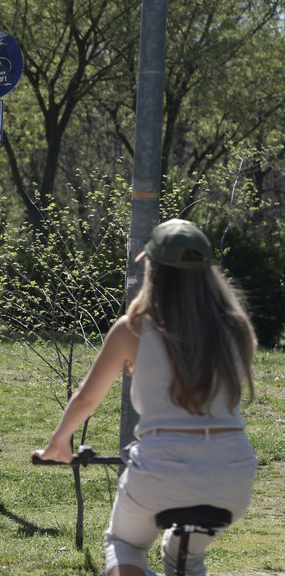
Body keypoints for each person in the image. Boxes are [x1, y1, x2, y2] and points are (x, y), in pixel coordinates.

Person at [32, 219, 258, 576]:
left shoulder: (133, 328)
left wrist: (58, 445)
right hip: (232, 472)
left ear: (152, 268)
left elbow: (86, 399)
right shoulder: (236, 326)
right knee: (187, 558)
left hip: (161, 467)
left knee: (126, 545)